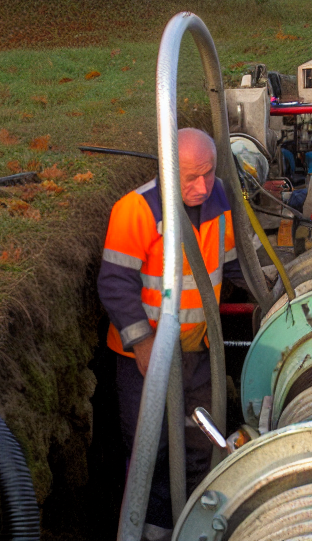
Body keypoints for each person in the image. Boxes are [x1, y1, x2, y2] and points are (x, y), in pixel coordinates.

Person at [98, 128, 244, 541]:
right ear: (166, 169)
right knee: (151, 448)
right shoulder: (136, 210)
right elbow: (114, 284)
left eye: (209, 173)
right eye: (190, 177)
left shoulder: (220, 200)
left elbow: (235, 265)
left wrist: (273, 291)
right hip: (144, 361)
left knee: (202, 442)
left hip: (199, 353)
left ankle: (196, 523)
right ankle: (151, 531)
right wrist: (144, 344)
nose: (202, 186)